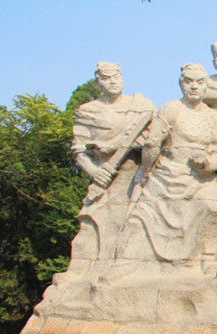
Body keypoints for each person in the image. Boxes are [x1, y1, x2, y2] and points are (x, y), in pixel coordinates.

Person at [103, 63, 217, 281]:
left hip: (199, 179)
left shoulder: (212, 117)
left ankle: (206, 261)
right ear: (181, 84)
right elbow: (152, 144)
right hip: (167, 175)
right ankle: (125, 263)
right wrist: (147, 171)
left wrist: (207, 163)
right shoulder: (171, 109)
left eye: (199, 82)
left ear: (207, 85)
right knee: (140, 217)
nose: (194, 87)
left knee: (213, 208)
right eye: (189, 82)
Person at [65, 62, 155, 278]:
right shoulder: (88, 111)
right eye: (106, 78)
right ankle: (90, 271)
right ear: (98, 82)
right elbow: (79, 149)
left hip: (134, 175)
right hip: (103, 177)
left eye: (116, 76)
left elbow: (154, 142)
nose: (112, 81)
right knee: (97, 224)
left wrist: (139, 144)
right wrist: (94, 172)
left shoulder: (142, 106)